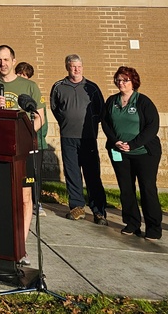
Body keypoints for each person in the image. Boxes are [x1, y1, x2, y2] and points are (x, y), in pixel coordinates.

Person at [0, 45, 43, 251]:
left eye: (6, 59)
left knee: (25, 198)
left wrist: (23, 137)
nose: (2, 64)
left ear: (14, 61)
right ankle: (1, 240)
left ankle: (21, 245)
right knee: (1, 196)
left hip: (24, 150)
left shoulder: (29, 86)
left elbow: (40, 117)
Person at [101, 66, 162, 240]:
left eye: (125, 80)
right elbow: (105, 123)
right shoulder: (112, 101)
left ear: (133, 82)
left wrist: (133, 144)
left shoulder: (143, 101)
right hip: (119, 152)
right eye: (118, 80)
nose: (121, 83)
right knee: (126, 189)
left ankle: (154, 228)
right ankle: (132, 223)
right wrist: (115, 141)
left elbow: (152, 126)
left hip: (144, 153)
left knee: (147, 189)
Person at [49, 54, 108, 225]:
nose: (76, 69)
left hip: (88, 138)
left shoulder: (92, 87)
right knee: (72, 173)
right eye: (73, 66)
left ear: (83, 67)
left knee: (92, 174)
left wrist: (89, 124)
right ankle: (77, 207)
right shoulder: (59, 87)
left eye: (79, 66)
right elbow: (56, 108)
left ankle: (99, 211)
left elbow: (100, 110)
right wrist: (67, 120)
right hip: (68, 137)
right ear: (67, 67)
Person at [16, 61, 48, 216]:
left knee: (34, 175)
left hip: (35, 142)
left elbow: (42, 120)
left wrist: (36, 138)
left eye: (26, 76)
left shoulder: (33, 94)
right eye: (20, 75)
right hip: (18, 142)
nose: (23, 79)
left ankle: (37, 202)